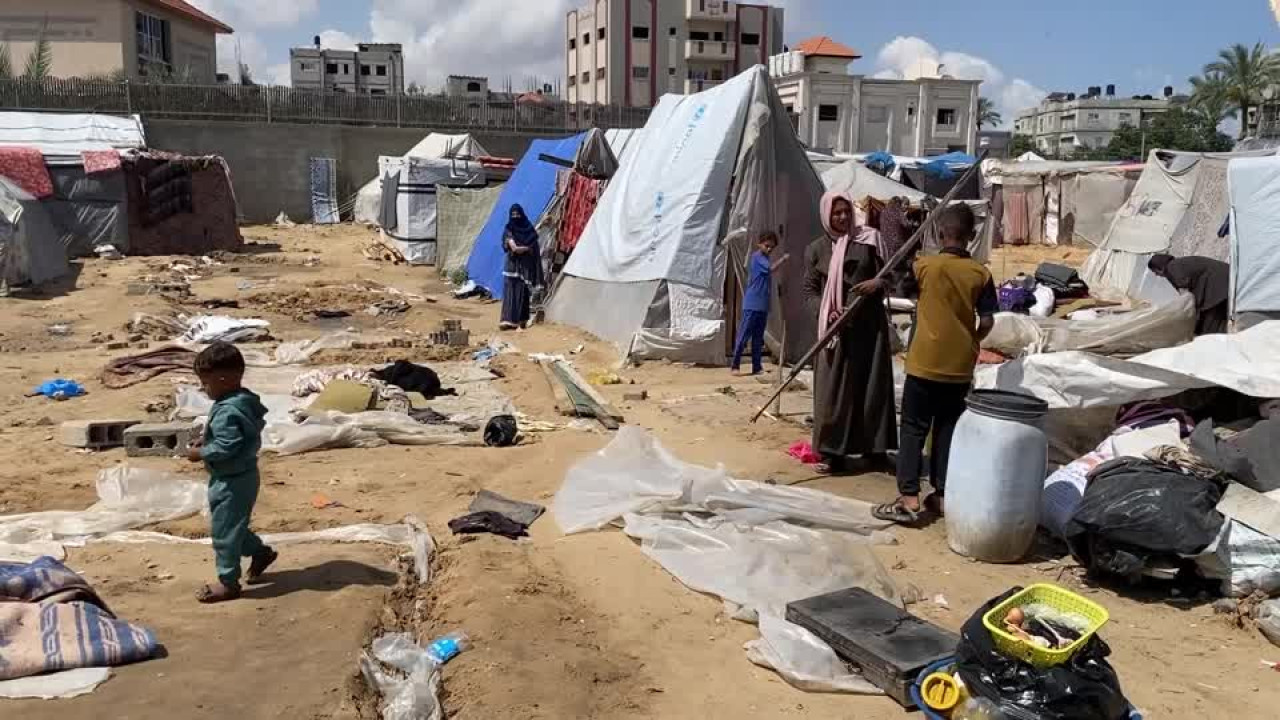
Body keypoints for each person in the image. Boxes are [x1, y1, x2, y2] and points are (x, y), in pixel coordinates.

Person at [875, 204, 996, 524]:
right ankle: (941, 494)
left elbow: (906, 293)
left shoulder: (924, 266)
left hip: (924, 361)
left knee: (914, 428)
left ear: (940, 234)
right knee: (947, 429)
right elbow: (986, 321)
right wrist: (972, 339)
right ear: (971, 237)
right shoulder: (981, 274)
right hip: (959, 367)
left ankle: (909, 496)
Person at [803, 191, 898, 475]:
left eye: (846, 211)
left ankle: (876, 449)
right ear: (826, 216)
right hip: (835, 332)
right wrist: (827, 310)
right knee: (834, 392)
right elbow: (808, 291)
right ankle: (834, 453)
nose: (843, 217)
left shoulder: (870, 241)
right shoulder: (816, 249)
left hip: (870, 327)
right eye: (836, 213)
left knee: (873, 389)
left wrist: (877, 283)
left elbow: (892, 275)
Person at [187, 341, 275, 603]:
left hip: (232, 480)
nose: (204, 389)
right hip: (240, 475)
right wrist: (207, 441)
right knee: (231, 527)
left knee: (224, 534)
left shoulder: (228, 409)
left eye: (206, 383)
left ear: (223, 379)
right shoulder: (240, 399)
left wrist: (201, 453)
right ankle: (261, 553)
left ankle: (228, 583)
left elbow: (228, 445)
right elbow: (230, 438)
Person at [731, 232, 788, 375]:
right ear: (760, 244)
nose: (769, 249)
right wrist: (783, 260)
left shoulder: (765, 259)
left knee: (758, 337)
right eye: (767, 246)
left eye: (771, 247)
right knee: (744, 334)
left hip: (762, 303)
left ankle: (756, 367)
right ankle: (735, 365)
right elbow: (770, 270)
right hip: (752, 303)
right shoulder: (757, 258)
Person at [1147, 253, 1230, 335]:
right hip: (1224, 281)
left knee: (1208, 327)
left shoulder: (1172, 268)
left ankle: (1231, 339)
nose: (1156, 275)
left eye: (1155, 271)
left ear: (1159, 268)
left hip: (1218, 287)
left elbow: (1187, 298)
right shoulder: (1180, 263)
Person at [499, 204, 543, 330]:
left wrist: (526, 248)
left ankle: (521, 321)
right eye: (513, 214)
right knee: (511, 293)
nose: (515, 217)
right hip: (512, 267)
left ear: (522, 214)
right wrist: (526, 248)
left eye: (517, 214)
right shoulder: (509, 229)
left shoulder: (529, 229)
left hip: (525, 267)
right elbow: (515, 248)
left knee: (522, 293)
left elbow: (533, 240)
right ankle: (508, 320)